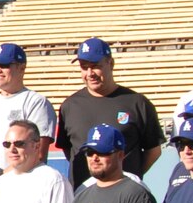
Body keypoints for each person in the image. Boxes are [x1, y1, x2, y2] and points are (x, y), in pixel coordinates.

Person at [57, 38, 163, 184]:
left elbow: (154, 150)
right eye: (84, 67)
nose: (89, 73)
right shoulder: (69, 106)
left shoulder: (137, 102)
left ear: (111, 63)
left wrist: (127, 175)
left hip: (124, 195)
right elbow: (70, 151)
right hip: (83, 194)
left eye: (95, 66)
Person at [0, 43, 55, 197]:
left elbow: (38, 152)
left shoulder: (35, 102)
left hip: (23, 187)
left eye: (4, 65)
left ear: (21, 68)